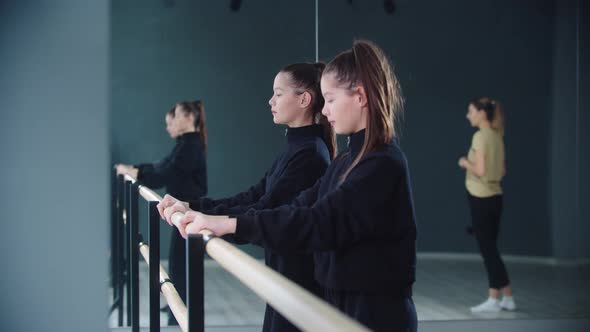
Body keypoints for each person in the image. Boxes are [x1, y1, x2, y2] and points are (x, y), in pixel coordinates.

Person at [165, 40, 418, 332]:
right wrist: (207, 214)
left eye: (331, 99)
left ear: (360, 97)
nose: (326, 109)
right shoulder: (347, 160)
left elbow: (318, 222)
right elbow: (294, 207)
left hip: (373, 317)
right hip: (341, 308)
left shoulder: (381, 163)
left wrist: (227, 223)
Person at [158, 62, 336, 332]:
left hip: (299, 283)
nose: (270, 101)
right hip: (282, 276)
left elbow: (266, 208)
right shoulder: (296, 148)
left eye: (278, 93)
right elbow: (254, 195)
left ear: (304, 99)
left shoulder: (310, 153)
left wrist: (215, 221)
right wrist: (193, 206)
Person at [116, 100, 208, 325]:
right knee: (178, 260)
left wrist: (137, 172)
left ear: (188, 117)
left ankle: (182, 309)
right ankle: (177, 305)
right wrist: (137, 169)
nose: (170, 124)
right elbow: (162, 166)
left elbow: (166, 173)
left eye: (175, 117)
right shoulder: (185, 144)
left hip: (188, 209)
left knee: (183, 261)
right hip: (182, 209)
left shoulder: (190, 145)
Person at [458, 97, 516, 313]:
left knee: (488, 250)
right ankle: (507, 296)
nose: (468, 115)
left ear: (482, 113)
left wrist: (465, 162)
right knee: (491, 248)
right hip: (495, 197)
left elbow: (480, 170)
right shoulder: (497, 135)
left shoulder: (481, 137)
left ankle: (494, 297)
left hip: (481, 198)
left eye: (471, 111)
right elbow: (502, 171)